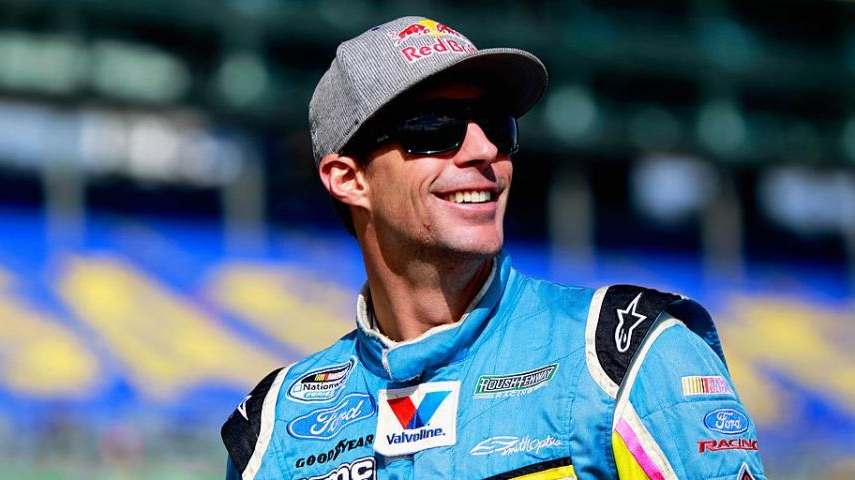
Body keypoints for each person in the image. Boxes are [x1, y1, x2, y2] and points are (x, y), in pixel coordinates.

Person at [221, 15, 766, 480]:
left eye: (496, 126)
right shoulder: (273, 425)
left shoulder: (625, 355)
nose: (483, 151)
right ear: (349, 178)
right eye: (435, 129)